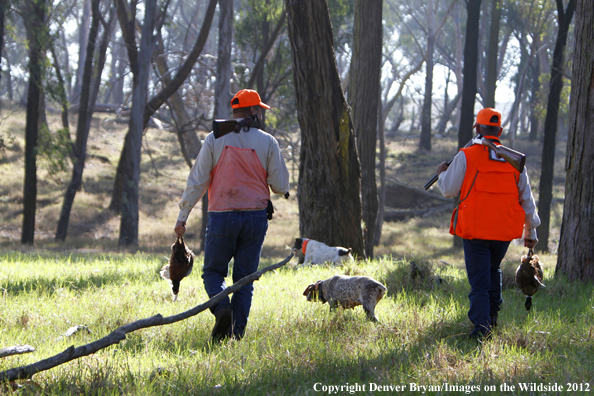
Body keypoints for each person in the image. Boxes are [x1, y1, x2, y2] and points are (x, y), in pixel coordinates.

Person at [174, 89, 290, 342]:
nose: (261, 113)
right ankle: (235, 336)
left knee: (213, 273)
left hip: (221, 217)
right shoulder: (268, 141)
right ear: (251, 111)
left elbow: (197, 181)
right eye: (258, 109)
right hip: (255, 219)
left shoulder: (214, 139)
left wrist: (182, 217)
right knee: (244, 280)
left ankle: (221, 308)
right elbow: (281, 186)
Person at [435, 107, 541, 340]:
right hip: (502, 234)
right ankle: (492, 319)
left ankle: (480, 329)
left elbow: (448, 189)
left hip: (475, 232)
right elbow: (527, 199)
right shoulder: (514, 159)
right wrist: (530, 229)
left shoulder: (467, 154)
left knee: (480, 281)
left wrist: (442, 173)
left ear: (477, 128)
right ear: (499, 130)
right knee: (493, 271)